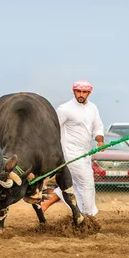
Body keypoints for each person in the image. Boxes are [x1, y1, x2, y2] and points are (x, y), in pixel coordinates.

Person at [40, 79, 105, 216]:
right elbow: (53, 130)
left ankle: (77, 213)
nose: (81, 94)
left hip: (85, 154)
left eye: (85, 92)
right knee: (87, 184)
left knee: (74, 185)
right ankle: (88, 215)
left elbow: (97, 126)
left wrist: (100, 140)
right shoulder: (64, 109)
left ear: (89, 93)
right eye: (79, 91)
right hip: (70, 153)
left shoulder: (93, 108)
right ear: (74, 91)